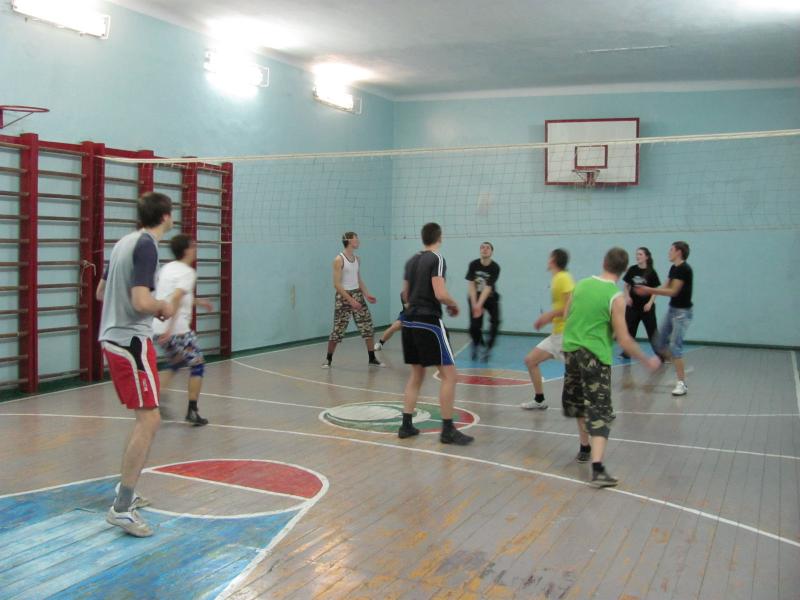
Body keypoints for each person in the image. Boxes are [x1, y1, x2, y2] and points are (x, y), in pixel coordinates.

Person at [96, 192, 175, 537]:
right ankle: (121, 508)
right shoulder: (146, 246)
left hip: (115, 338)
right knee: (150, 420)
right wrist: (162, 306)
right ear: (166, 216)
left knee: (146, 419)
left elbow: (101, 292)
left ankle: (124, 490)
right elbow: (141, 301)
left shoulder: (122, 243)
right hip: (130, 342)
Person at [562, 247, 661, 487]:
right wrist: (646, 360)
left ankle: (584, 447)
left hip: (571, 353)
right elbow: (624, 339)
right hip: (594, 357)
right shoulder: (615, 297)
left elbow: (566, 316)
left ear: (604, 262)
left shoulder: (581, 285)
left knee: (580, 404)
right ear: (624, 270)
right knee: (600, 411)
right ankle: (597, 469)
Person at [398, 222, 474, 445]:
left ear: (423, 238)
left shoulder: (411, 261)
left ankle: (406, 425)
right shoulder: (437, 259)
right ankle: (448, 430)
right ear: (439, 238)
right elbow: (440, 293)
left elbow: (405, 294)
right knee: (450, 376)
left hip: (408, 321)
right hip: (428, 321)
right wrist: (453, 303)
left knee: (416, 375)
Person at [152, 234, 214, 426]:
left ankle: (157, 401)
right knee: (198, 364)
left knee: (176, 362)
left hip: (157, 326)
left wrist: (199, 302)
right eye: (193, 246)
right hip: (176, 329)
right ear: (186, 250)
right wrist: (170, 329)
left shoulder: (167, 268)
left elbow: (172, 296)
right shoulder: (187, 272)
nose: (196, 248)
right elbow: (176, 298)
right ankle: (192, 411)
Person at [634, 241, 693, 396]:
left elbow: (673, 291)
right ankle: (680, 370)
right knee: (659, 343)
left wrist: (648, 290)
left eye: (671, 250)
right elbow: (665, 287)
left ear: (679, 252)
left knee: (675, 346)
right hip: (673, 310)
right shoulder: (674, 268)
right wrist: (649, 293)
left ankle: (682, 383)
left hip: (682, 313)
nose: (669, 252)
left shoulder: (684, 269)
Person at [520, 249, 574, 410]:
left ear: (553, 260)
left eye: (550, 257)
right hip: (556, 335)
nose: (548, 260)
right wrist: (548, 319)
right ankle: (539, 399)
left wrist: (547, 316)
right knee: (530, 360)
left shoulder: (564, 278)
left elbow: (570, 307)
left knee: (582, 372)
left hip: (566, 335)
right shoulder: (557, 278)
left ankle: (603, 405)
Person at [322, 232, 382, 368]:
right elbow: (336, 285)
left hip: (357, 295)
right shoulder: (339, 259)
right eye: (356, 238)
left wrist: (367, 294)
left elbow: (358, 280)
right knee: (338, 330)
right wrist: (351, 301)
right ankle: (328, 359)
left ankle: (372, 358)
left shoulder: (357, 259)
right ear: (349, 241)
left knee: (367, 326)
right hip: (343, 297)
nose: (358, 241)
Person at [620, 247, 661, 358]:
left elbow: (655, 290)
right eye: (637, 254)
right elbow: (626, 286)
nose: (637, 256)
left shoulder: (651, 272)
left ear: (646, 257)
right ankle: (627, 352)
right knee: (629, 330)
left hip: (646, 308)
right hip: (633, 307)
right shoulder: (632, 269)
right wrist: (627, 296)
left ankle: (661, 355)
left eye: (640, 254)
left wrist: (650, 303)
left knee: (652, 332)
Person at [465, 241, 501, 361]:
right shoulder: (473, 264)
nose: (484, 249)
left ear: (491, 252)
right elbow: (471, 285)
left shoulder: (495, 267)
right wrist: (474, 304)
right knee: (474, 326)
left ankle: (488, 348)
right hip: (475, 296)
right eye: (482, 247)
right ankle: (476, 344)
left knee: (495, 322)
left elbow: (488, 287)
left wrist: (479, 305)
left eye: (487, 248)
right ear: (480, 251)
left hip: (490, 297)